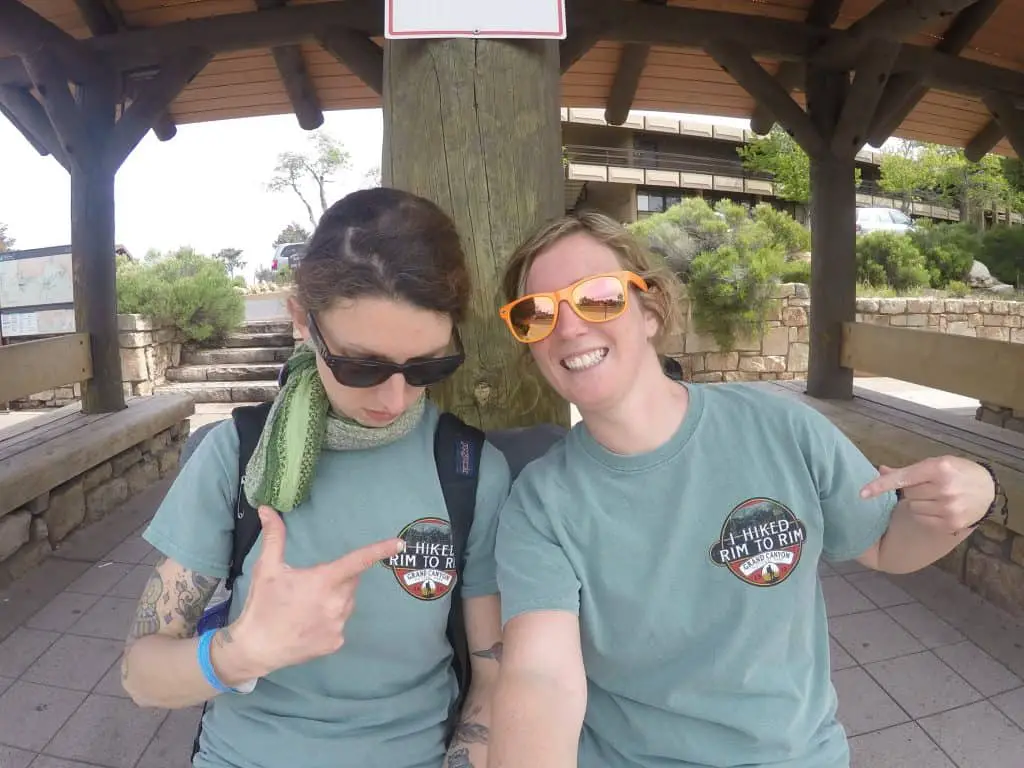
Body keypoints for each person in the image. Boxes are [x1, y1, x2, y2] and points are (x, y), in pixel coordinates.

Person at [487, 211, 1005, 768]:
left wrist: (970, 499)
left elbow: (883, 546)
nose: (568, 328)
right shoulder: (540, 503)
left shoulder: (781, 428)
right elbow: (540, 677)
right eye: (536, 314)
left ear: (651, 309)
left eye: (599, 297)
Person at [120, 187, 512, 768]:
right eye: (361, 365)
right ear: (302, 321)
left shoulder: (469, 470)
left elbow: (494, 677)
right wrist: (236, 653)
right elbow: (141, 676)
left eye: (428, 366)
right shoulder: (236, 456)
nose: (395, 397)